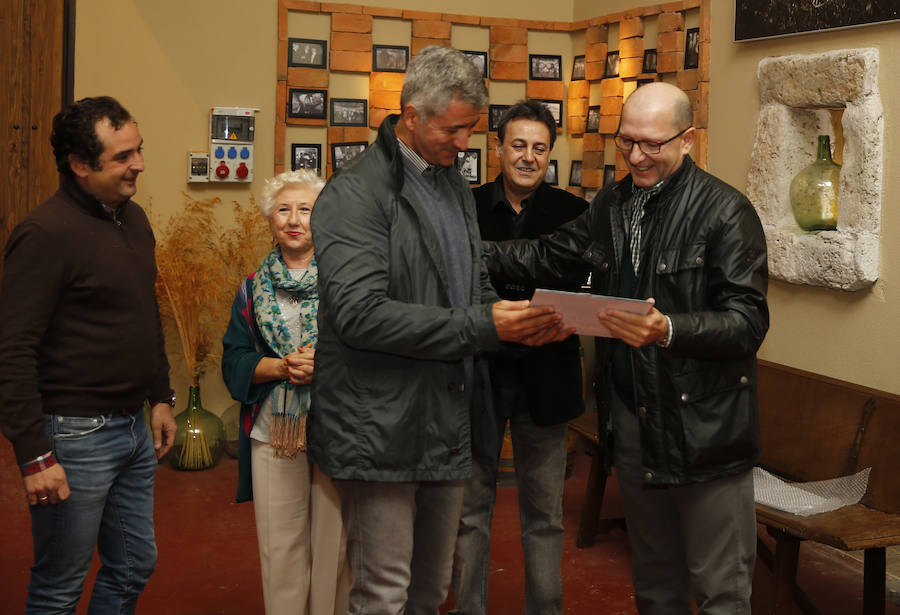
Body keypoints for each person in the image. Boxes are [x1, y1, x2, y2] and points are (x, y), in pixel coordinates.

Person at [484, 82, 769, 615]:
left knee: (721, 590)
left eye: (651, 145)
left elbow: (748, 321)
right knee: (655, 581)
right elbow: (550, 255)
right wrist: (460, 253)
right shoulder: (614, 202)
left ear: (687, 140)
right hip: (633, 420)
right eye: (626, 142)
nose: (636, 156)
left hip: (704, 428)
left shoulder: (727, 212)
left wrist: (669, 329)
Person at [307, 45, 568, 615]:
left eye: (470, 130)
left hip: (446, 417)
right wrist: (482, 323)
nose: (463, 143)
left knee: (429, 592)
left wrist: (515, 321)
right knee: (383, 593)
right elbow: (358, 314)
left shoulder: (450, 182)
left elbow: (470, 282)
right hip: (379, 426)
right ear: (411, 116)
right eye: (452, 130)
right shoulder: (355, 196)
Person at [0, 96, 177, 613]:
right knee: (59, 587)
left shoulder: (134, 218)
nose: (139, 164)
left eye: (138, 150)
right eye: (123, 156)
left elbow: (145, 314)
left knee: (132, 566)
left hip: (132, 430)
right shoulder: (44, 235)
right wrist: (34, 456)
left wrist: (160, 395)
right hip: (72, 438)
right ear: (80, 166)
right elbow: (12, 351)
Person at [451, 100, 588, 615]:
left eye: (539, 148)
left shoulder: (574, 213)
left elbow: (579, 286)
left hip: (547, 377)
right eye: (518, 145)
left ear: (550, 153)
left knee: (544, 514)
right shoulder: (464, 205)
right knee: (470, 509)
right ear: (497, 148)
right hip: (478, 372)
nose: (527, 157)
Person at [221, 169, 350, 615]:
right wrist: (277, 366)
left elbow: (371, 352)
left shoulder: (347, 284)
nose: (294, 220)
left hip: (337, 426)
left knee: (336, 545)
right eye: (283, 210)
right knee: (281, 545)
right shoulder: (250, 288)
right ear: (270, 220)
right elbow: (233, 359)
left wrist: (326, 367)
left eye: (306, 210)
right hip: (273, 432)